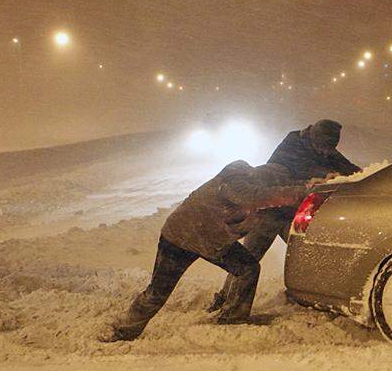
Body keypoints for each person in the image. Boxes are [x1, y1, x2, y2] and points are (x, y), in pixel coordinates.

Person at [100, 161, 314, 342]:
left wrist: (312, 187)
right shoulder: (234, 181)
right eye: (272, 187)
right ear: (261, 181)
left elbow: (265, 200)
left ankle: (232, 317)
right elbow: (254, 196)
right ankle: (125, 330)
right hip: (181, 237)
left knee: (247, 268)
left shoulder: (255, 194)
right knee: (158, 291)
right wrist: (299, 192)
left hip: (213, 240)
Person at [206, 120, 361, 322]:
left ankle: (315, 296)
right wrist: (327, 175)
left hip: (292, 215)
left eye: (329, 149)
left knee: (309, 253)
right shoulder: (292, 144)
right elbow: (296, 169)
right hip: (269, 214)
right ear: (313, 138)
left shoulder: (322, 148)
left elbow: (346, 166)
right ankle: (225, 301)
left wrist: (367, 175)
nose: (325, 153)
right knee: (249, 259)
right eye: (323, 148)